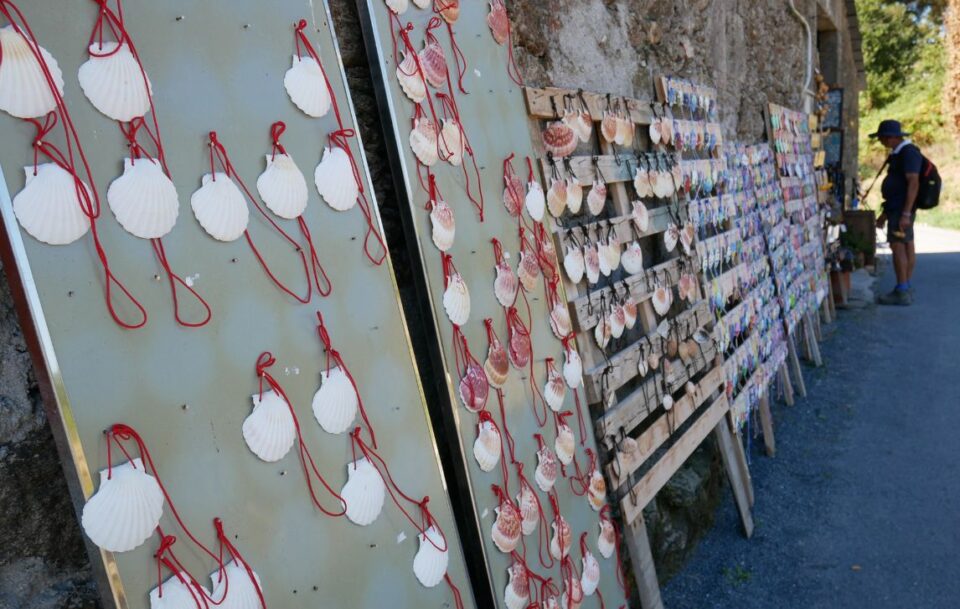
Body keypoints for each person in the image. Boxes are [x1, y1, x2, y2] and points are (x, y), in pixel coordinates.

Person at [870, 120, 920, 306]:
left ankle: (902, 290)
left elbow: (913, 183)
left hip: (901, 211)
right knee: (905, 245)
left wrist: (906, 214)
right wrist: (885, 214)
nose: (881, 141)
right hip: (897, 210)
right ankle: (904, 286)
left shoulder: (908, 154)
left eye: (882, 138)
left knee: (899, 246)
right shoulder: (900, 153)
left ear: (891, 137)